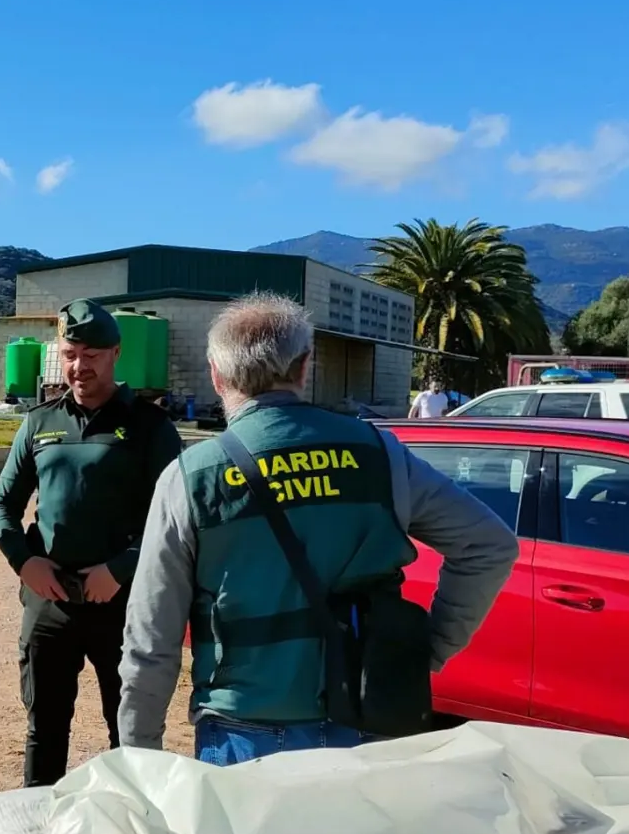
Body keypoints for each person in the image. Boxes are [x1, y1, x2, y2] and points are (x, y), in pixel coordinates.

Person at [117, 294, 518, 764]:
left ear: (215, 374)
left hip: (246, 733)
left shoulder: (191, 477)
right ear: (304, 366)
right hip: (373, 721)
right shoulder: (380, 454)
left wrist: (139, 757)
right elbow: (489, 545)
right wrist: (425, 652)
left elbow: (150, 638)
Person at [0, 300, 183, 787]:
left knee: (129, 734)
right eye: (71, 353)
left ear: (116, 353)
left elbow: (175, 520)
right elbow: (2, 505)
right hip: (49, 603)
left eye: (92, 354)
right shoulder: (39, 422)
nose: (80, 366)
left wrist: (119, 569)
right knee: (45, 729)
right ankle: (38, 831)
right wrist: (25, 563)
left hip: (122, 603)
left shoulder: (150, 427)